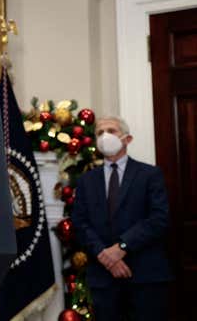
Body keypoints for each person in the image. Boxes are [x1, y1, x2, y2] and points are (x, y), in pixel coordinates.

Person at [72, 116, 171, 320]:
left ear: (127, 139)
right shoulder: (86, 180)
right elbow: (80, 223)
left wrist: (122, 247)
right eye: (100, 132)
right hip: (103, 278)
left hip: (146, 276)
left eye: (111, 131)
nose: (105, 136)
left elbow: (158, 219)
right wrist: (105, 256)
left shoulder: (150, 174)